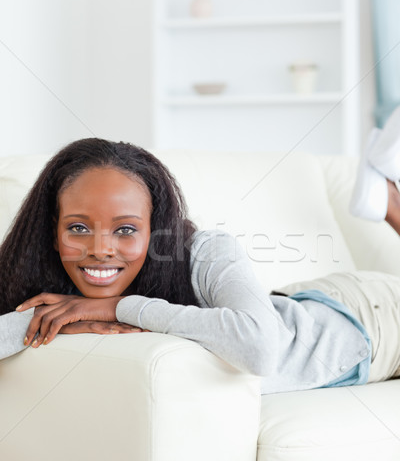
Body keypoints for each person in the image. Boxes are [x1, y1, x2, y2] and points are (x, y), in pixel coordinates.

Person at [0, 130, 399, 394]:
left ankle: (389, 199)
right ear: (53, 230)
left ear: (156, 230)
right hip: (292, 303)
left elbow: (260, 349)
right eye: (78, 228)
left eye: (125, 230)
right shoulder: (49, 276)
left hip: (370, 320)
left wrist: (116, 308)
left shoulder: (206, 250)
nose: (100, 249)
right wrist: (57, 323)